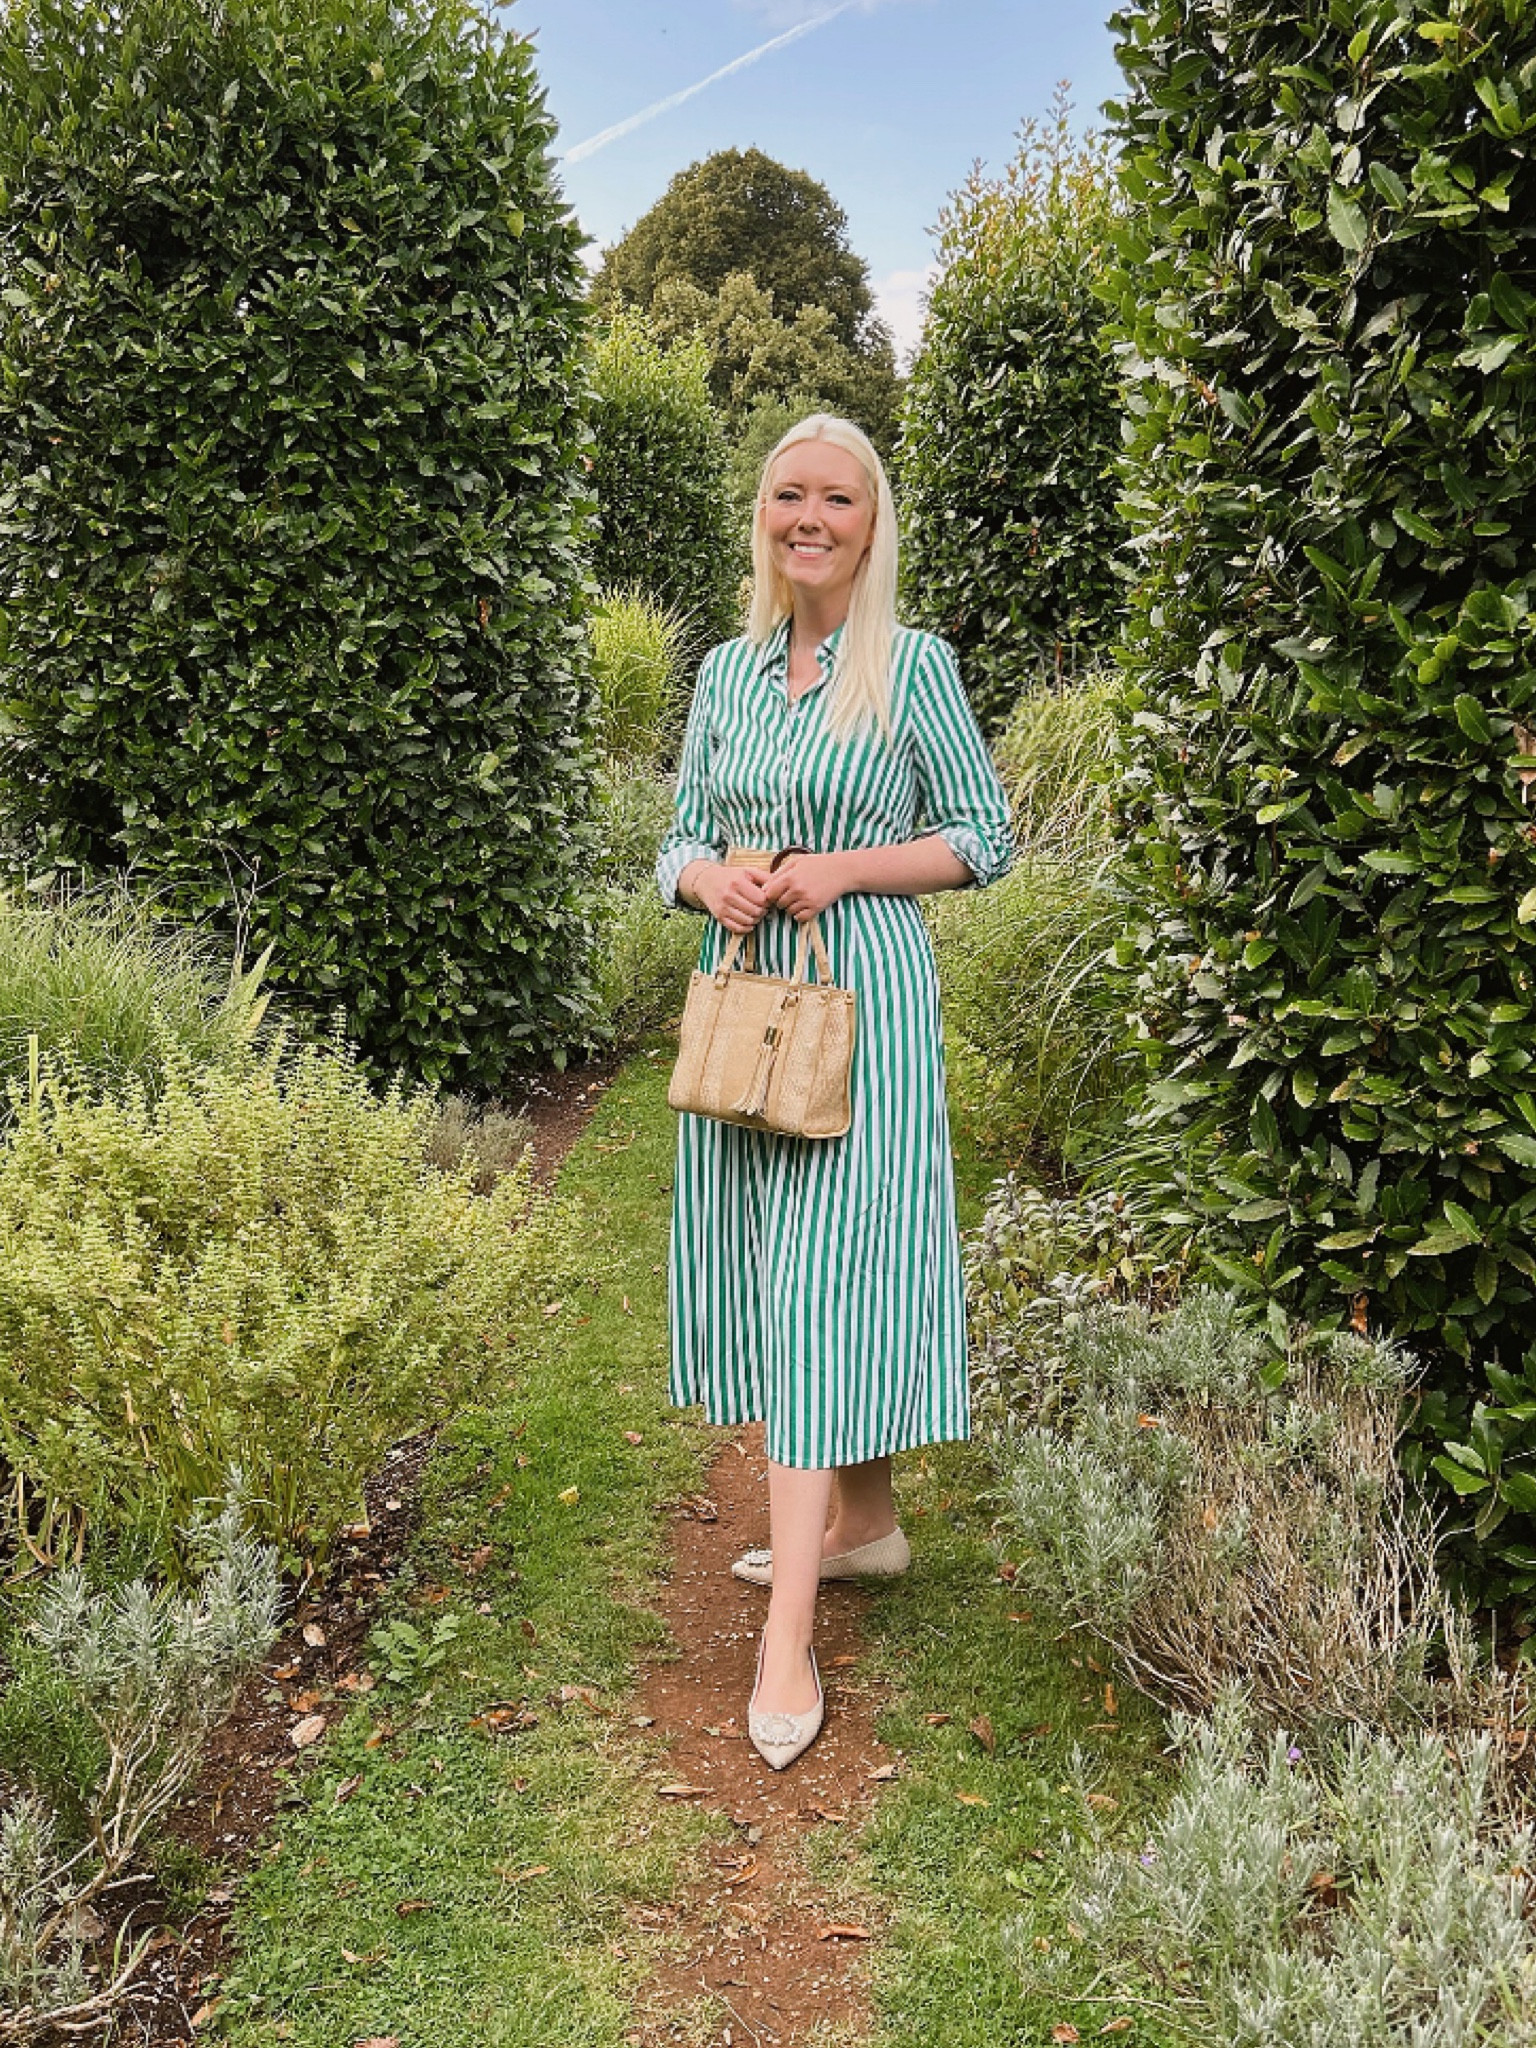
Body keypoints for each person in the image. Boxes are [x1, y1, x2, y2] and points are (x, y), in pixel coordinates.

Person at [656, 414, 1011, 1769]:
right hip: (747, 1000)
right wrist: (712, 878)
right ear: (765, 517)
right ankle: (865, 1527)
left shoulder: (913, 670)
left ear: (873, 520)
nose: (810, 518)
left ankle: (787, 1638)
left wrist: (842, 867)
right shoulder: (727, 675)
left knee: (816, 1285)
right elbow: (680, 832)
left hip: (860, 1001)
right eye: (787, 496)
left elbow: (985, 840)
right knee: (777, 1268)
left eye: (837, 499)